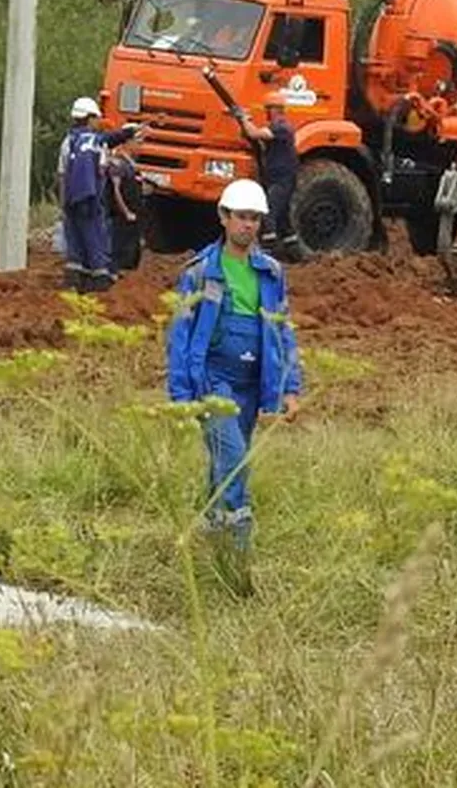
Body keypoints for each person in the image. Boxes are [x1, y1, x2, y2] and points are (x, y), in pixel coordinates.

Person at [164, 178, 303, 582]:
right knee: (235, 462)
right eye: (242, 217)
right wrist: (181, 394)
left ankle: (207, 542)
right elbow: (180, 335)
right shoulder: (200, 273)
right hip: (213, 381)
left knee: (224, 464)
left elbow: (282, 330)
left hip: (251, 381)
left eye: (255, 219)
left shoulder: (271, 273)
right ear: (223, 218)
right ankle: (238, 558)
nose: (249, 225)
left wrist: (290, 387)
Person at [57, 97, 144, 291]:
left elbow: (62, 174)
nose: (98, 121)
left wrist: (63, 203)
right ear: (89, 118)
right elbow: (109, 146)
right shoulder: (96, 141)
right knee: (95, 237)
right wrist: (130, 131)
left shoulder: (68, 141)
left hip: (72, 198)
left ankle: (75, 278)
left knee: (74, 239)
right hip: (91, 197)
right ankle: (99, 280)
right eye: (96, 118)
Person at [235, 93, 299, 256]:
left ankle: (269, 249)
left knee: (268, 211)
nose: (266, 112)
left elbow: (254, 134)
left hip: (283, 178)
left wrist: (243, 118)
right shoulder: (277, 128)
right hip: (276, 177)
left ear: (275, 110)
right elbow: (250, 135)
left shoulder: (282, 128)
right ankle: (293, 251)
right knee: (283, 216)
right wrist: (243, 123)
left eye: (268, 109)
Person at [105, 139, 145, 272]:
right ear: (128, 143)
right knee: (120, 247)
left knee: (132, 247)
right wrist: (126, 211)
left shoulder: (131, 164)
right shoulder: (118, 164)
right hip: (123, 216)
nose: (140, 146)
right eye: (137, 142)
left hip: (134, 213)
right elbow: (116, 190)